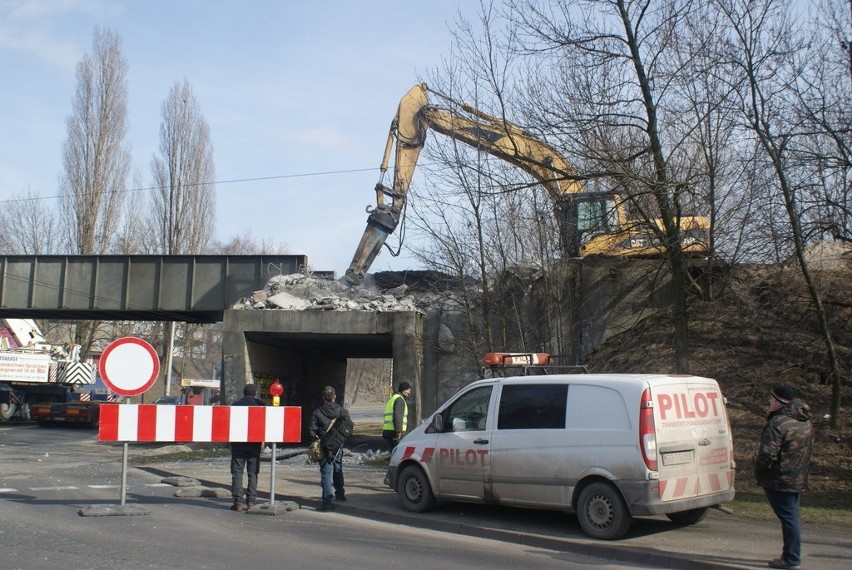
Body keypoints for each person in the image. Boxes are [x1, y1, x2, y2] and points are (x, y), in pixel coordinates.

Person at [754, 385, 814, 570]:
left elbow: (767, 454)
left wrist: (759, 470)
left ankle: (791, 559)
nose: (769, 402)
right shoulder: (804, 420)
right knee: (792, 517)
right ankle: (791, 556)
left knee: (789, 519)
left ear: (780, 403)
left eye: (771, 399)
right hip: (798, 477)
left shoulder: (778, 423)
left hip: (780, 479)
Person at [310, 385, 350, 512]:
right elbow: (348, 428)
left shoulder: (317, 412)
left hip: (324, 446)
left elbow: (311, 431)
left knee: (326, 473)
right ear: (335, 397)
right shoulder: (342, 411)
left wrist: (318, 438)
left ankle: (327, 503)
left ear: (323, 398)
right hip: (338, 445)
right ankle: (340, 494)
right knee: (338, 467)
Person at [229, 384, 265, 512]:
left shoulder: (235, 405)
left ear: (244, 393)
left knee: (237, 472)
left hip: (238, 443)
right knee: (253, 472)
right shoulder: (261, 405)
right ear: (255, 393)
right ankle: (251, 501)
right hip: (254, 443)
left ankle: (237, 502)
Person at [382, 382, 411, 453]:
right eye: (408, 390)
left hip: (388, 431)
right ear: (403, 390)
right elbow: (398, 416)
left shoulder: (392, 398)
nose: (409, 392)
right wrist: (399, 432)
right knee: (398, 454)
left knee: (392, 453)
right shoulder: (400, 400)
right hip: (394, 433)